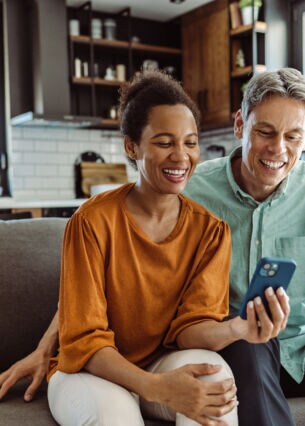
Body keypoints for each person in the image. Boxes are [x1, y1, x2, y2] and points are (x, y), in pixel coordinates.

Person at [0, 70, 291, 426]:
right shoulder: (91, 221)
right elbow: (84, 338)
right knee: (114, 415)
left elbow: (191, 327)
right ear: (131, 146)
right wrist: (154, 387)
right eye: (164, 142)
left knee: (216, 384)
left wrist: (240, 329)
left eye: (190, 142)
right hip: (90, 371)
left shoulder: (211, 230)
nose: (181, 156)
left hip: (160, 361)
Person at [184, 67, 305, 425]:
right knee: (250, 345)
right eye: (265, 132)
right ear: (240, 125)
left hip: (299, 344)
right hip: (238, 347)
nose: (278, 149)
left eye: (293, 137)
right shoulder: (192, 192)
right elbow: (111, 257)